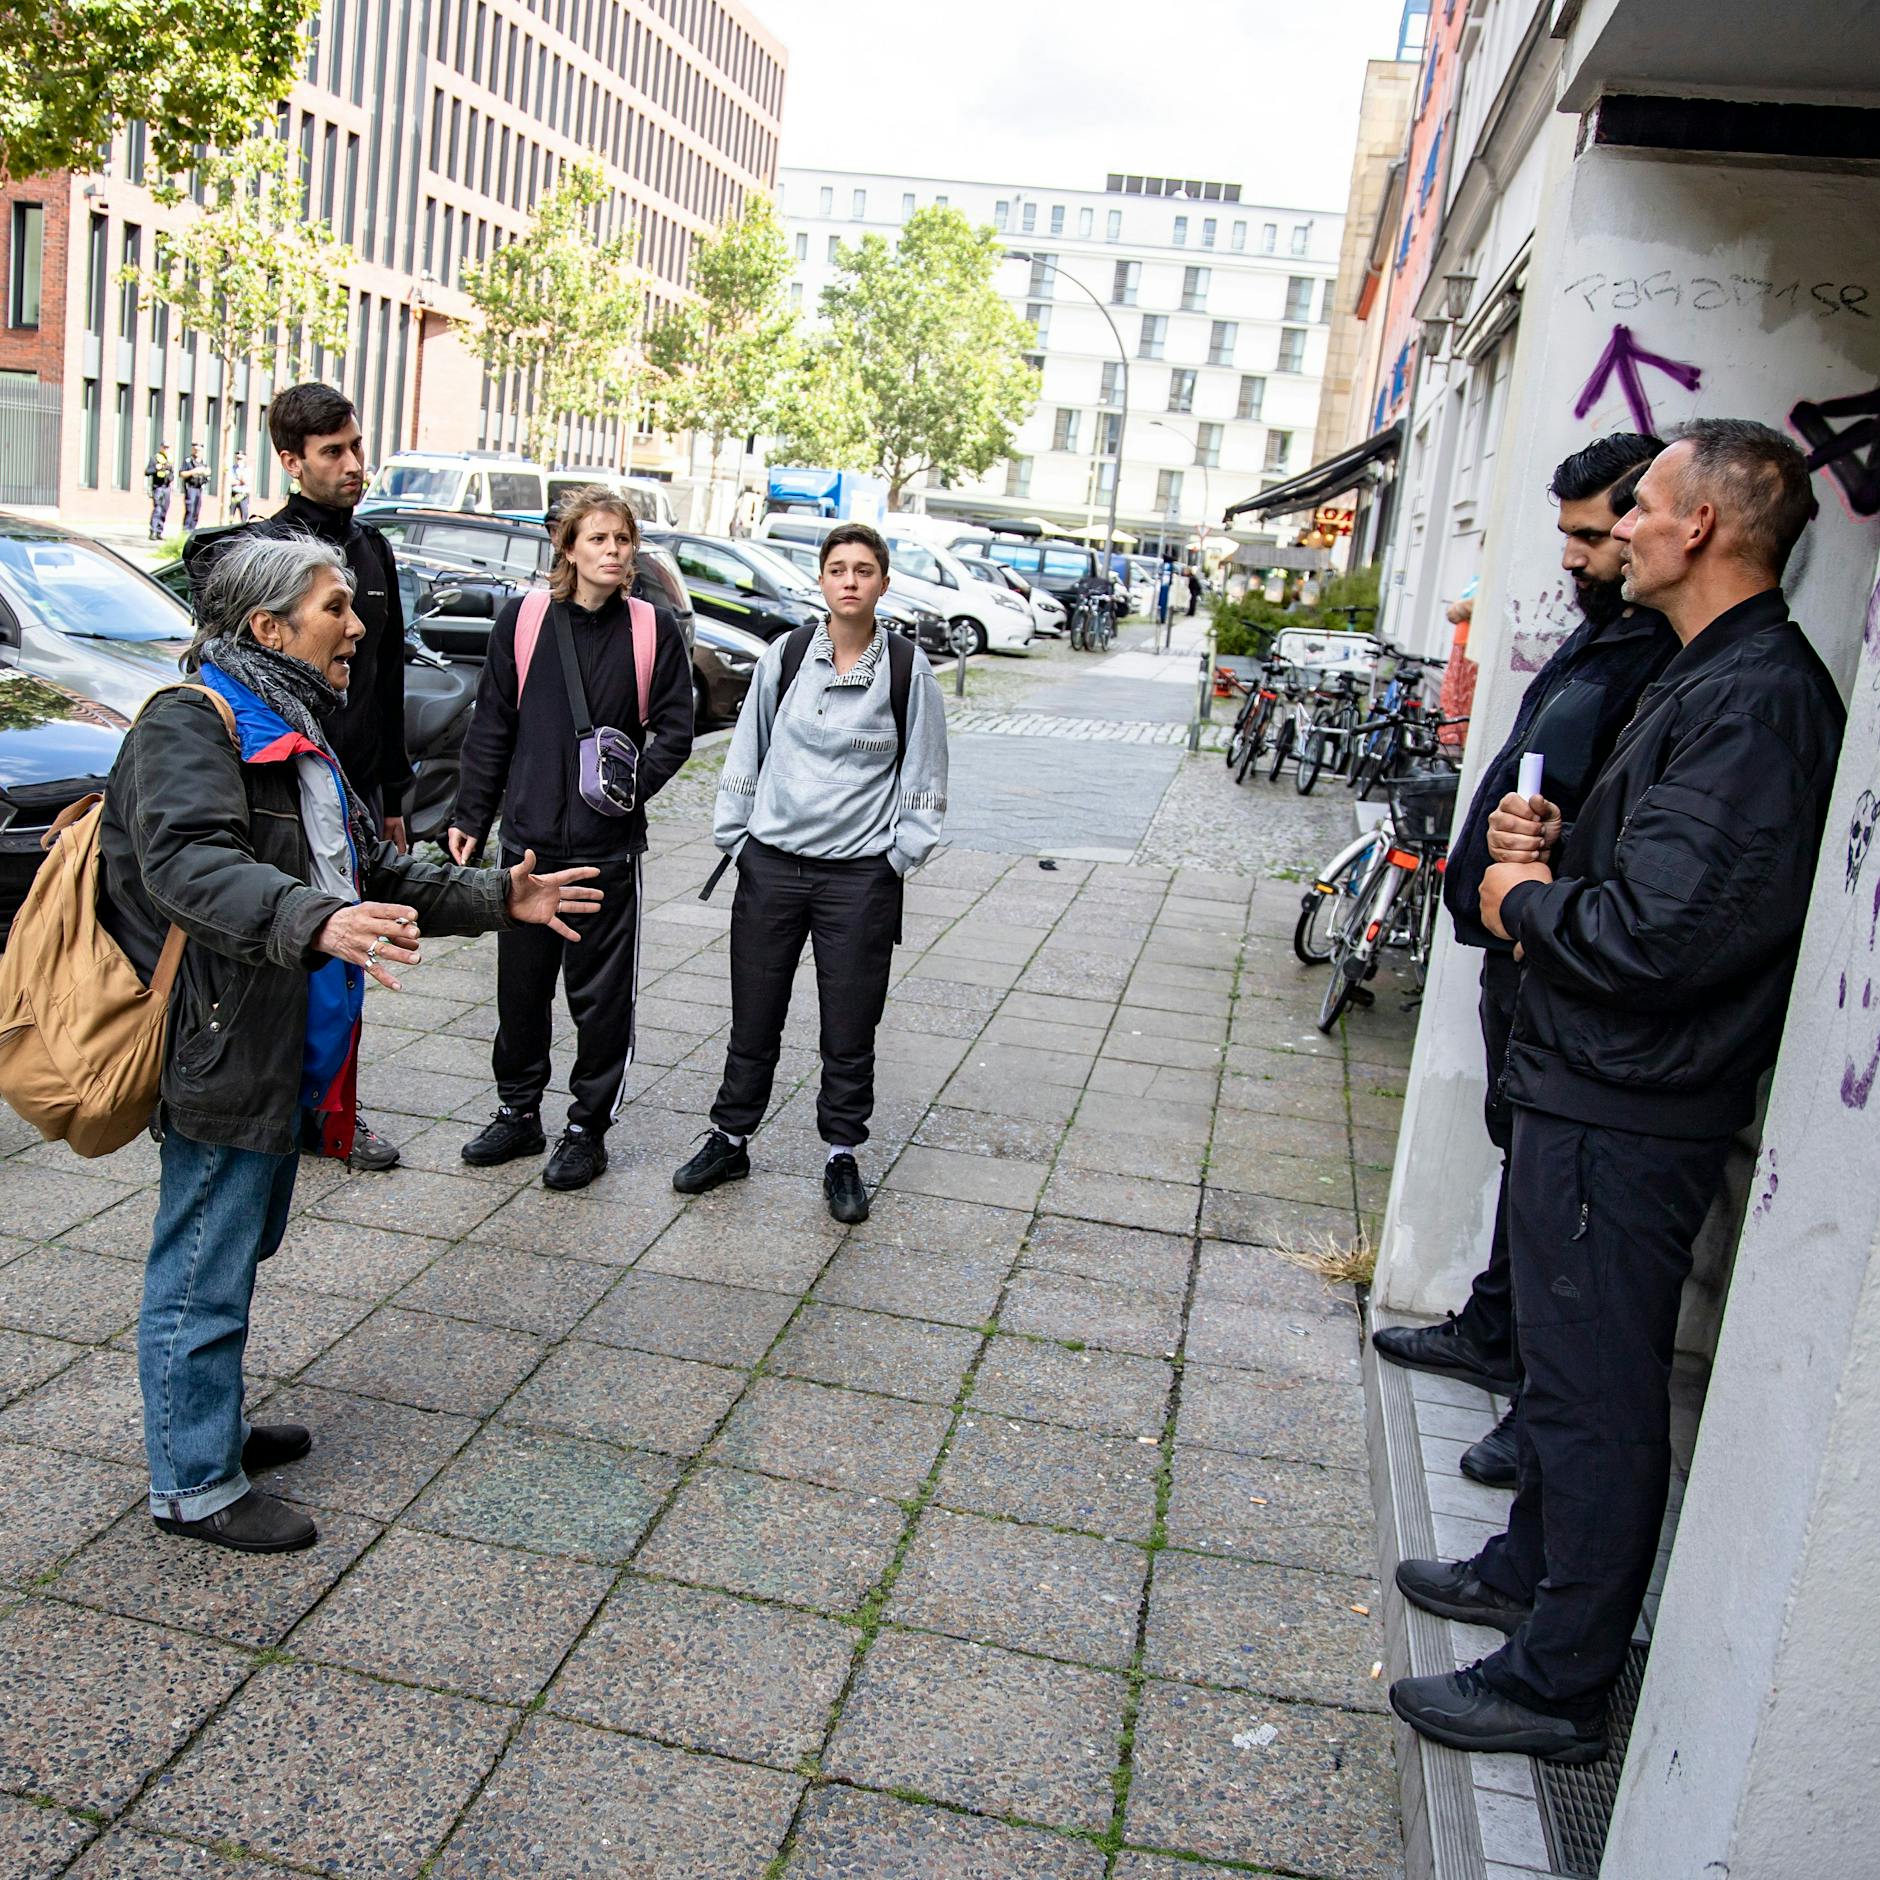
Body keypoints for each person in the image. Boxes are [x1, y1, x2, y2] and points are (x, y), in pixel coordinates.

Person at [1390, 420, 1845, 1762]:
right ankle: (1531, 1572)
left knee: (1594, 1393)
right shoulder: (1714, 676)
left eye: (1639, 505)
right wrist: (1555, 844)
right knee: (1568, 1378)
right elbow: (1657, 874)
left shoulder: (1757, 699)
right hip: (1595, 1089)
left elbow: (1660, 937)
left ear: (1699, 525)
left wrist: (1529, 893)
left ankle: (1557, 1678)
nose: (1620, 526)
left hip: (1628, 1106)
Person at [98, 532, 602, 1553]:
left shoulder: (286, 719)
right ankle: (192, 1482)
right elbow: (189, 865)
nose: (359, 624)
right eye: (336, 607)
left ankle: (212, 1427)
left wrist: (498, 894)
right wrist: (313, 921)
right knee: (202, 1256)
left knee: (242, 1239)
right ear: (267, 627)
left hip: (284, 1037)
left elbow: (367, 862)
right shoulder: (186, 724)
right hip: (220, 1036)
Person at [1372, 434, 1676, 1487]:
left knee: (1563, 1209)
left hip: (1571, 960)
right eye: (1576, 534)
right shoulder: (1612, 632)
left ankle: (1533, 1410)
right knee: (1527, 1165)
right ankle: (1496, 1330)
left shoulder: (1672, 660)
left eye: (1594, 532)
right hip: (1531, 944)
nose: (1583, 554)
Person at [672, 523, 947, 1225]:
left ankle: (841, 1154)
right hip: (773, 870)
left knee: (850, 1025)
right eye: (837, 569)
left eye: (863, 570)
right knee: (753, 1016)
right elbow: (747, 749)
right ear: (821, 581)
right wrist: (738, 841)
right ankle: (730, 1139)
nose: (849, 580)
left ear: (883, 583)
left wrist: (897, 858)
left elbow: (924, 778)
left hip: (859, 881)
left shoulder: (907, 672)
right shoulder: (787, 657)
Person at [448, 488, 695, 1192]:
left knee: (600, 999)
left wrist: (630, 790)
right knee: (520, 993)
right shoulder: (523, 621)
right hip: (526, 846)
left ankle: (588, 1128)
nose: (614, 552)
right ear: (568, 547)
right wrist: (472, 815)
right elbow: (492, 724)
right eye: (598, 540)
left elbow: (676, 728)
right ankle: (518, 1112)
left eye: (623, 540)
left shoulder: (652, 629)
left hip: (603, 851)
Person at [245, 383, 416, 1171]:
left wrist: (391, 798)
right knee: (290, 942)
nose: (354, 465)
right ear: (291, 461)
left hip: (359, 789)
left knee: (354, 948)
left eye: (356, 446)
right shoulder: (267, 552)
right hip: (286, 786)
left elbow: (387, 680)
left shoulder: (374, 549)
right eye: (332, 453)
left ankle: (337, 1114)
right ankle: (274, 1103)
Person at [145, 442, 174, 540]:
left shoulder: (169, 460)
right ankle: (153, 531)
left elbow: (172, 475)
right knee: (157, 509)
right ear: (161, 447)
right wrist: (156, 468)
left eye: (167, 447)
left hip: (167, 487)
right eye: (164, 447)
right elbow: (147, 472)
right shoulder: (155, 458)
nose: (166, 449)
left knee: (164, 510)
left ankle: (159, 532)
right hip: (158, 487)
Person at [180, 443, 209, 533]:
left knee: (196, 510)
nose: (197, 452)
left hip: (199, 488)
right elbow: (181, 474)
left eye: (199, 450)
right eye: (195, 450)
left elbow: (208, 473)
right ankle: (186, 530)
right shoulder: (188, 461)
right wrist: (194, 471)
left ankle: (192, 529)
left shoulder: (203, 463)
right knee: (190, 509)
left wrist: (206, 472)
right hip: (191, 488)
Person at [229, 451, 252, 524]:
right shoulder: (232, 468)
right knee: (231, 514)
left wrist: (239, 480)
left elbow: (246, 482)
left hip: (244, 495)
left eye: (240, 459)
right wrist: (240, 481)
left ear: (244, 459)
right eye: (237, 458)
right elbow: (230, 481)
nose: (239, 460)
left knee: (244, 515)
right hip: (234, 494)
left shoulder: (248, 469)